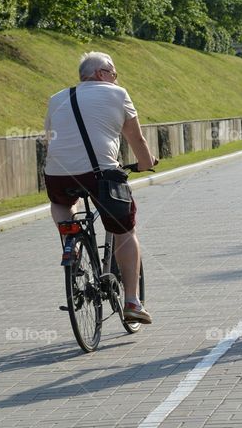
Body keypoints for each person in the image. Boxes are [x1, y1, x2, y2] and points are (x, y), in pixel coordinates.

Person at [43, 52, 157, 324]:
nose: (116, 78)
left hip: (57, 174)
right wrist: (145, 162)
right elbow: (136, 137)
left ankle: (72, 246)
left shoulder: (57, 98)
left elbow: (49, 139)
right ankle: (132, 301)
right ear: (100, 74)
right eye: (113, 73)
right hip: (101, 174)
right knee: (124, 231)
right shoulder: (118, 94)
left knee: (61, 204)